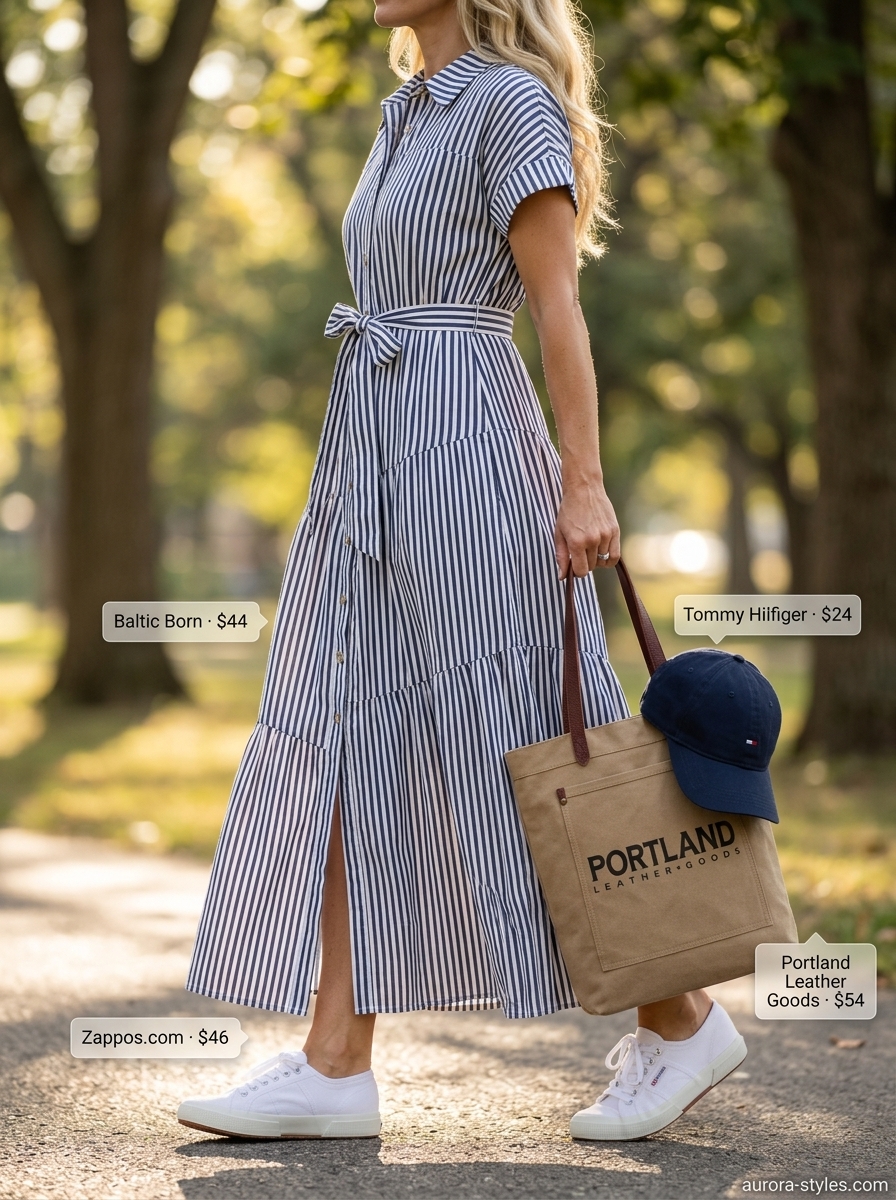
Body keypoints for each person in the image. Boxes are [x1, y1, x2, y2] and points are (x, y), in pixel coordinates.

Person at [177, 0, 746, 1143]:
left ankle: (678, 1020)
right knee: (342, 726)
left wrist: (581, 481)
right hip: (372, 456)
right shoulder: (401, 115)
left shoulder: (506, 100)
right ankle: (335, 1061)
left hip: (470, 449)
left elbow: (554, 304)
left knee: (524, 737)